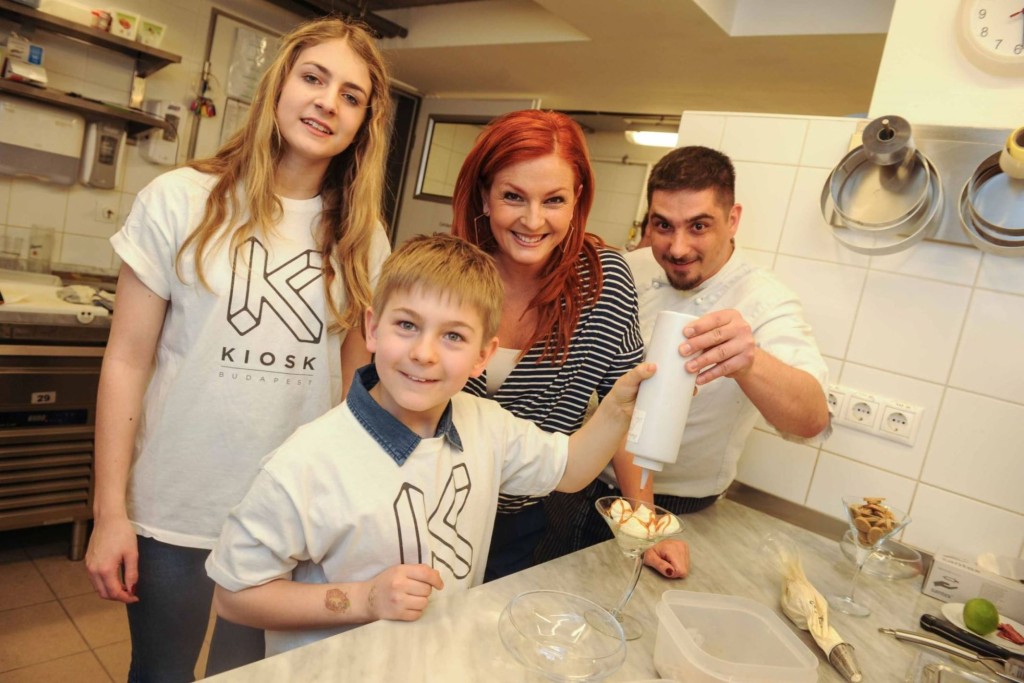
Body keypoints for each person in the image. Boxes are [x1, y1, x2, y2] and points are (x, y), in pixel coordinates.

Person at [83, 17, 393, 681]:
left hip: (290, 514)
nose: (326, 102)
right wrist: (110, 512)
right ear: (279, 86)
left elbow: (355, 388)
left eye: (350, 95)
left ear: (364, 122)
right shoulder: (179, 199)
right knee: (161, 671)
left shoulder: (363, 237)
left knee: (250, 677)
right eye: (313, 78)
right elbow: (126, 361)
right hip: (175, 505)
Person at [205, 234, 655, 656]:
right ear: (373, 329)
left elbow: (572, 470)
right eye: (407, 325)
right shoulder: (306, 464)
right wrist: (365, 599)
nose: (425, 353)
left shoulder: (488, 427)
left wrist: (618, 408)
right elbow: (235, 596)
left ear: (483, 355)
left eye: (453, 336)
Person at [448, 110, 686, 581]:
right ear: (484, 195)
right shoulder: (446, 274)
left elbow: (626, 408)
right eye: (513, 196)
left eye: (553, 200)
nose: (533, 221)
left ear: (578, 199)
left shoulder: (603, 283)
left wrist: (645, 521)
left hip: (520, 519)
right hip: (421, 501)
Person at [560, 145, 831, 554]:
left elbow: (811, 419)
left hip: (680, 511)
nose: (678, 248)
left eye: (699, 226)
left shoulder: (765, 301)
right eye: (663, 226)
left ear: (733, 220)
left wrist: (749, 362)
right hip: (578, 483)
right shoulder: (628, 270)